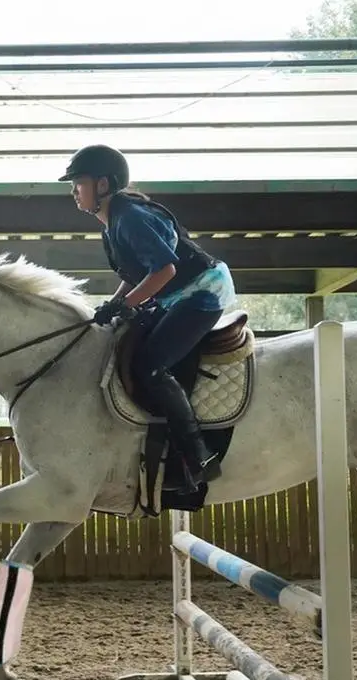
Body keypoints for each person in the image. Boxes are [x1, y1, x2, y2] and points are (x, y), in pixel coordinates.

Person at [58, 144, 237, 490]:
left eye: (79, 183)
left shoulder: (130, 218)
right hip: (176, 294)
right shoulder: (113, 221)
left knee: (149, 366)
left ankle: (199, 455)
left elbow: (165, 269)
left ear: (104, 185)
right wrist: (112, 305)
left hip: (203, 291)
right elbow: (136, 273)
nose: (74, 191)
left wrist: (127, 305)